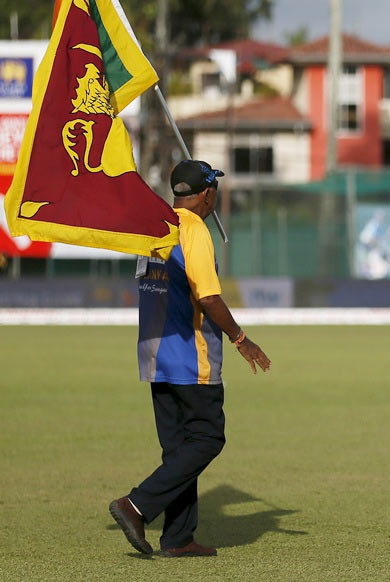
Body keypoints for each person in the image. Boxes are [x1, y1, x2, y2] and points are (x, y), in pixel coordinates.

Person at [109, 160, 271, 556]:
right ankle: (137, 505)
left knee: (179, 449)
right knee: (208, 438)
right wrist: (241, 338)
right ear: (208, 194)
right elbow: (208, 297)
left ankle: (178, 538)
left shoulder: (154, 225)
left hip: (154, 355)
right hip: (190, 357)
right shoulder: (194, 229)